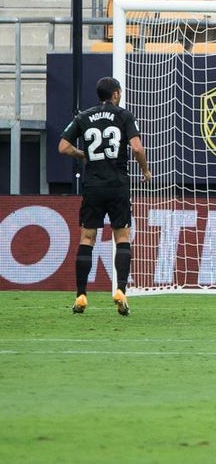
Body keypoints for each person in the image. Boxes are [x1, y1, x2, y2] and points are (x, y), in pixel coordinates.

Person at [59, 76, 150, 316]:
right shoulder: (123, 115)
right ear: (116, 94)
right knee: (122, 236)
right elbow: (137, 148)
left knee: (87, 238)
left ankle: (81, 295)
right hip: (118, 184)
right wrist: (145, 170)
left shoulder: (84, 116)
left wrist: (83, 155)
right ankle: (120, 290)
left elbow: (63, 147)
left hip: (93, 185)